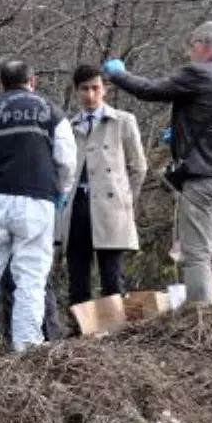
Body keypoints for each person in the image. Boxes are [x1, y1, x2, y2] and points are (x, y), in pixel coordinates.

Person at [102, 21, 212, 310]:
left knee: (198, 254)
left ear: (204, 45)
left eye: (192, 45)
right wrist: (185, 133)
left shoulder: (199, 72)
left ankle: (201, 323)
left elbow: (150, 90)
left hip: (205, 180)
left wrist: (119, 74)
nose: (189, 52)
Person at [0, 60, 77, 354]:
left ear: (1, 83)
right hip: (37, 201)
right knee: (32, 277)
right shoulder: (52, 112)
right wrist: (61, 190)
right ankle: (27, 346)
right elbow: (67, 160)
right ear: (32, 81)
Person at [57, 63, 148, 306]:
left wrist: (126, 199)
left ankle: (116, 333)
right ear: (76, 90)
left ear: (104, 89)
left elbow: (138, 166)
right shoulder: (68, 126)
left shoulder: (123, 121)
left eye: (95, 88)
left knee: (112, 275)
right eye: (84, 89)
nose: (90, 94)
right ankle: (80, 332)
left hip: (111, 206)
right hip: (77, 205)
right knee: (77, 274)